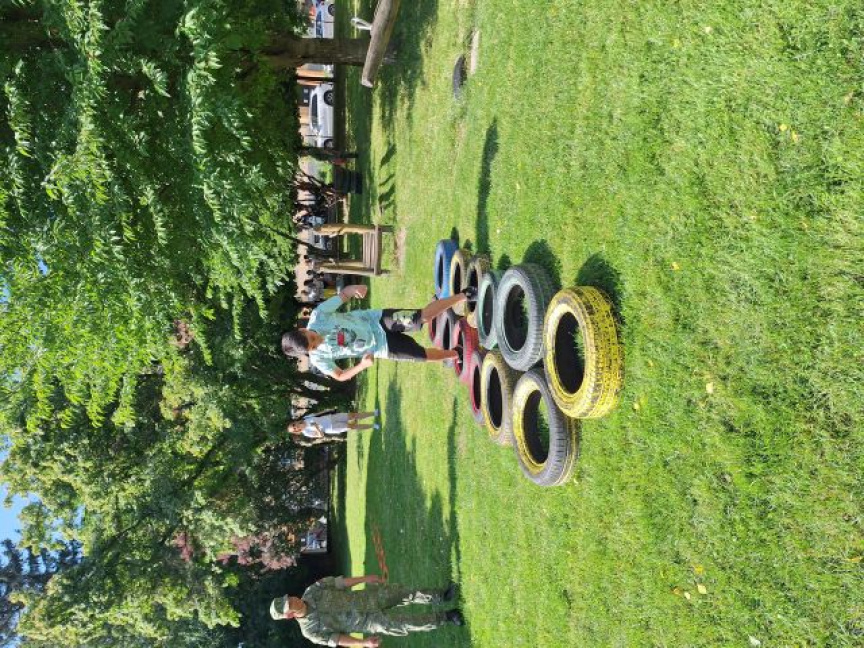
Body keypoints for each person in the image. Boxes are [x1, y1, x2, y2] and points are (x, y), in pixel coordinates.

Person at [281, 284, 474, 381]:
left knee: (420, 318)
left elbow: (344, 295)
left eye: (312, 337)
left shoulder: (319, 315)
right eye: (313, 346)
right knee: (421, 355)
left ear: (303, 329)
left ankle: (464, 295)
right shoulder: (318, 359)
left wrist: (355, 288)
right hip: (380, 347)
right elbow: (339, 375)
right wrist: (362, 365)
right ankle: (456, 354)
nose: (318, 341)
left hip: (378, 320)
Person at [269, 575, 463, 647]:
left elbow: (339, 583)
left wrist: (365, 579)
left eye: (289, 598)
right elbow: (337, 639)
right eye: (290, 605)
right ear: (289, 615)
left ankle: (442, 595)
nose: (293, 600)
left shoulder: (312, 591)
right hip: (369, 622)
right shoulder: (310, 631)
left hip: (369, 598)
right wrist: (363, 643)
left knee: (406, 593)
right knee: (407, 623)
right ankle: (447, 616)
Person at [288, 411, 379, 439]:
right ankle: (373, 426)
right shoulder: (306, 432)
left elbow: (318, 414)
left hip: (331, 418)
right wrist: (317, 428)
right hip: (332, 428)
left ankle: (374, 413)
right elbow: (321, 436)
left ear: (294, 422)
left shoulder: (306, 418)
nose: (295, 427)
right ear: (296, 431)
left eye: (293, 425)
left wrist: (328, 410)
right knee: (352, 426)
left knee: (353, 415)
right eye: (294, 429)